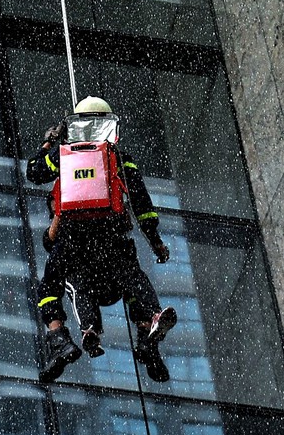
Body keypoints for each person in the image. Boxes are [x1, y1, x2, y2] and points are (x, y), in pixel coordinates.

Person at [27, 96, 176, 383]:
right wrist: (155, 241)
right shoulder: (119, 157)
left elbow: (33, 172)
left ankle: (62, 336)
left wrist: (49, 141)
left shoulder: (63, 154)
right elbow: (141, 204)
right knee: (131, 276)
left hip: (73, 239)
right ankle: (148, 329)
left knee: (51, 285)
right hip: (110, 235)